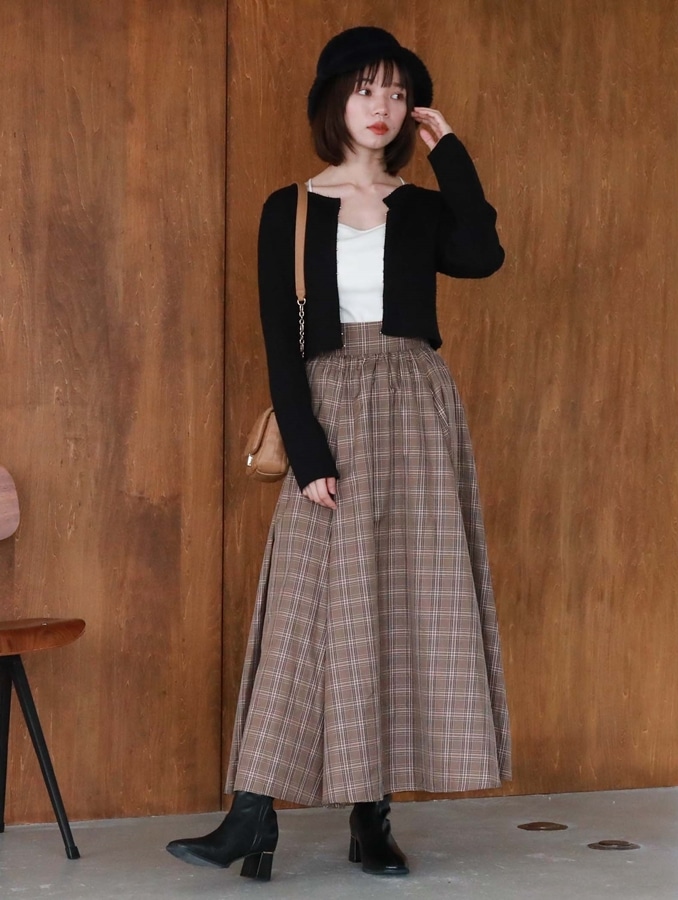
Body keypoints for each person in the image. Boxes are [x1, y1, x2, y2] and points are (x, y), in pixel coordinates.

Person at [166, 25, 511, 882]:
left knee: (400, 606)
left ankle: (372, 817)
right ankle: (252, 814)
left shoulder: (422, 207)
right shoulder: (289, 208)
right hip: (330, 406)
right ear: (335, 102)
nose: (383, 106)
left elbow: (482, 255)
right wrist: (310, 450)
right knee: (306, 610)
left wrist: (451, 150)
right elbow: (280, 346)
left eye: (397, 92)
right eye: (367, 89)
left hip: (417, 409)